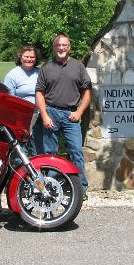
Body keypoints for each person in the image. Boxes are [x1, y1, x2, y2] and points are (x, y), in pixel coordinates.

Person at [35, 33, 92, 200]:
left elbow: (87, 92)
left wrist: (80, 111)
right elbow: (39, 93)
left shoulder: (78, 67)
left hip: (70, 115)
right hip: (51, 112)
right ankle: (52, 186)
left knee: (76, 151)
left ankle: (81, 188)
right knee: (50, 153)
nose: (61, 48)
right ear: (54, 47)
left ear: (69, 47)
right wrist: (44, 115)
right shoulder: (46, 68)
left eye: (64, 45)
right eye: (58, 45)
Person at [4, 45, 43, 156]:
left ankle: (37, 172)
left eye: (32, 57)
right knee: (21, 152)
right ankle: (20, 172)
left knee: (38, 150)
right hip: (20, 119)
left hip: (38, 117)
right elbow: (8, 99)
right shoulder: (13, 75)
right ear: (20, 57)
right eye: (26, 56)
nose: (29, 59)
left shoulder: (40, 73)